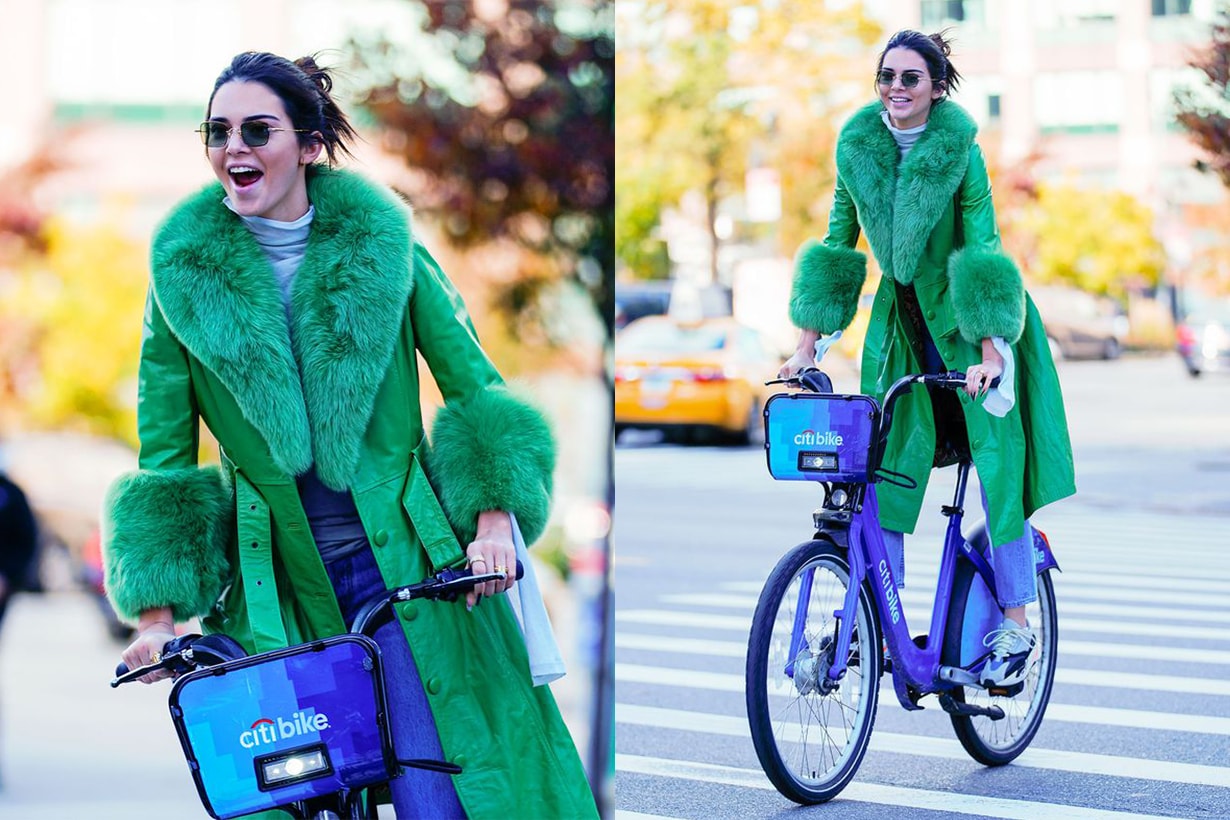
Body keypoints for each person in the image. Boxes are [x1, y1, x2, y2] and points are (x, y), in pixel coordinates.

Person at [103, 51, 597, 818]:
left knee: (444, 791)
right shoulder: (179, 278)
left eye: (257, 130)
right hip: (274, 583)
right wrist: (158, 619)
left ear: (306, 145)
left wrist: (495, 523)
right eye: (219, 131)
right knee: (285, 796)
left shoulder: (385, 244)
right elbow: (165, 459)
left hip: (406, 567)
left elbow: (477, 389)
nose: (234, 148)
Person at [779, 30, 1075, 688]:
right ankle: (862, 622)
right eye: (887, 76)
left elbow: (985, 243)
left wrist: (994, 350)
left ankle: (1018, 624)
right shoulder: (856, 148)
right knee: (880, 476)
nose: (896, 88)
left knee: (1000, 475)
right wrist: (806, 346)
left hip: (972, 330)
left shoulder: (959, 150)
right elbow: (836, 246)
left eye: (911, 78)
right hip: (903, 334)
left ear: (937, 87)